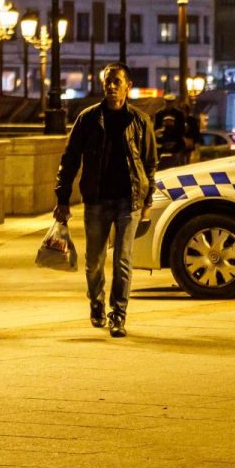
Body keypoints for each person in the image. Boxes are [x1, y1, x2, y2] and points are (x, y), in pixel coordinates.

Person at [54, 63, 158, 336]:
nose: (111, 86)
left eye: (116, 82)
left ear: (128, 86)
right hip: (97, 199)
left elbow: (150, 163)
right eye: (107, 82)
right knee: (94, 261)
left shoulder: (140, 121)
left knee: (123, 259)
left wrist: (148, 199)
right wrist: (62, 198)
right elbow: (70, 160)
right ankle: (96, 302)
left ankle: (118, 315)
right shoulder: (88, 119)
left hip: (129, 200)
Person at [148, 92, 200, 172]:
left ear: (173, 102)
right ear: (164, 102)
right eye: (167, 102)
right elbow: (156, 129)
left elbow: (182, 129)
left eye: (170, 102)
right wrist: (161, 133)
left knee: (177, 162)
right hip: (162, 142)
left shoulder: (179, 114)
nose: (169, 104)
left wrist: (175, 137)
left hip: (176, 142)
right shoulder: (159, 113)